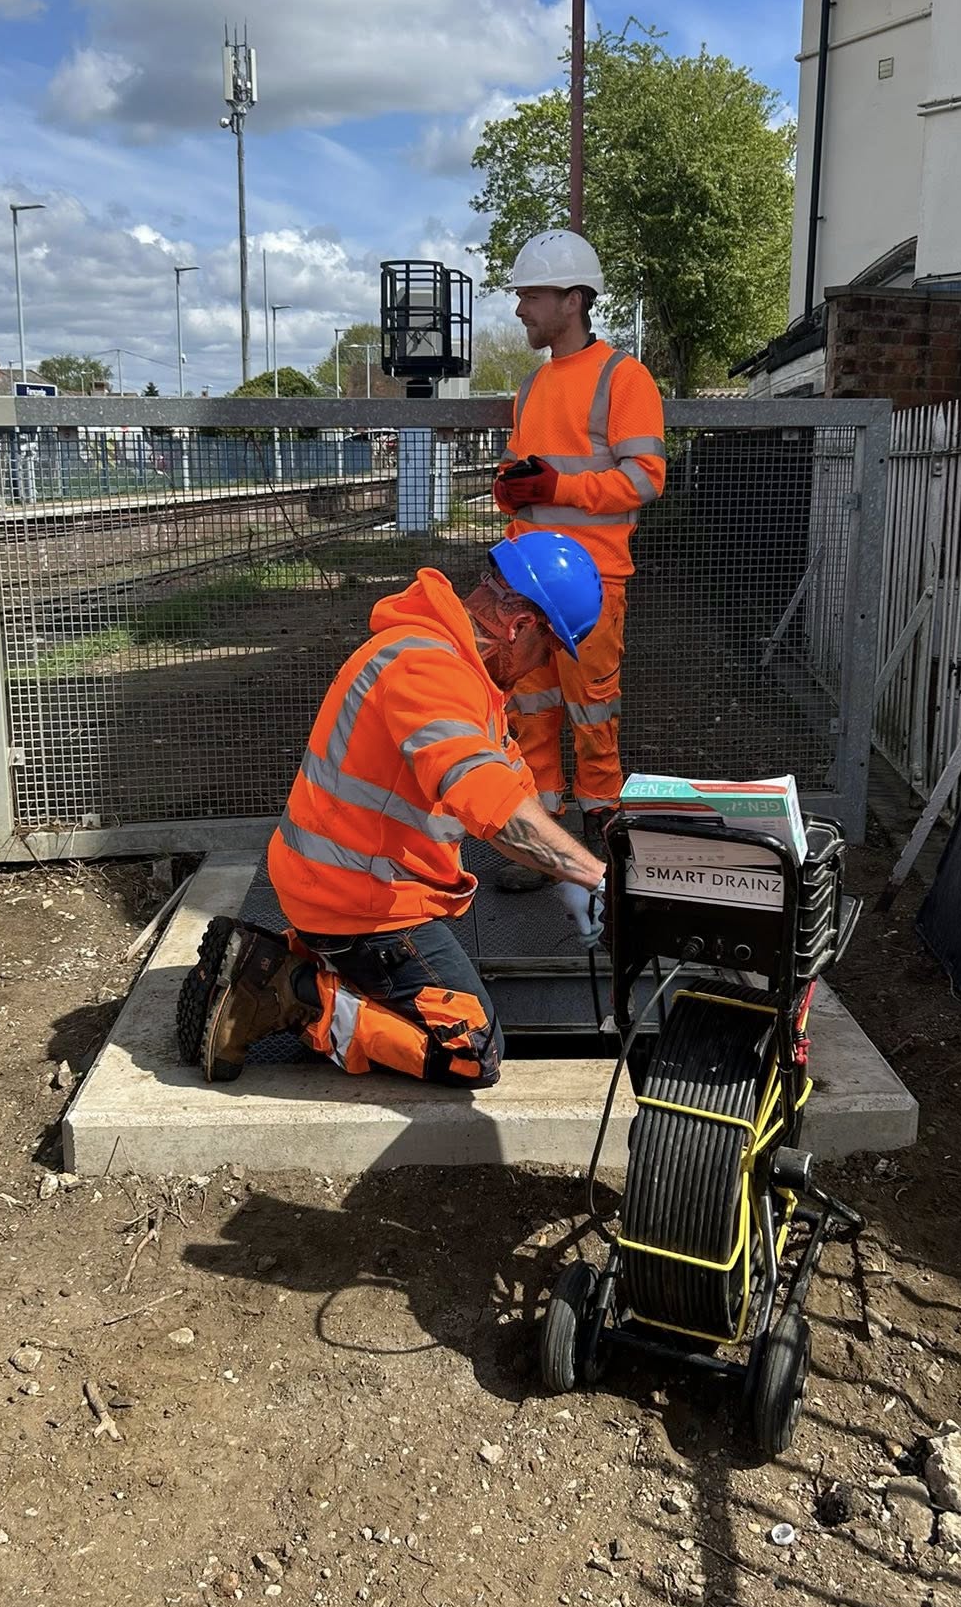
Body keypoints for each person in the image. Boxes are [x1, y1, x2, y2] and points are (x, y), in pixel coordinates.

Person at [177, 534, 607, 1088]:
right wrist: (592, 876)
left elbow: (509, 793)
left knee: (448, 1004)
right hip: (359, 907)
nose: (540, 667)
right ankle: (290, 992)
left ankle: (280, 964)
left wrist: (563, 876)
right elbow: (487, 799)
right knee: (471, 1051)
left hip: (342, 888)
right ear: (520, 627)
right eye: (548, 651)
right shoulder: (431, 671)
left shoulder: (456, 666)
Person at [492, 229, 667, 888]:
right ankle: (547, 837)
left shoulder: (625, 377)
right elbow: (518, 473)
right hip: (527, 579)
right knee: (530, 707)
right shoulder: (531, 390)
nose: (520, 310)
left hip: (592, 581)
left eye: (531, 295)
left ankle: (604, 823)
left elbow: (646, 479)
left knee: (593, 707)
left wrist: (555, 487)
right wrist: (508, 485)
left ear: (572, 300)